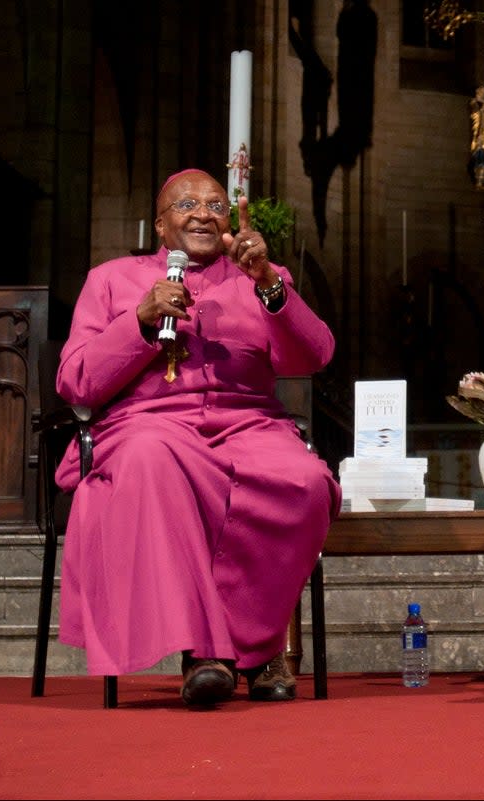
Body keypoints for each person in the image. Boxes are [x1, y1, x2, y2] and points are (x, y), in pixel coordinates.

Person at [54, 168, 341, 707]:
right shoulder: (112, 279)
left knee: (305, 481)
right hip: (150, 424)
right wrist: (138, 321)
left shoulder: (260, 277)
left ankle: (252, 646)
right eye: (186, 204)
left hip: (250, 424)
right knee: (152, 457)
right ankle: (212, 652)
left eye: (214, 204)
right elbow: (75, 382)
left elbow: (316, 355)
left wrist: (270, 286)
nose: (203, 212)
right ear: (160, 226)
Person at [468, 84, 484, 181]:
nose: (483, 93)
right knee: (479, 146)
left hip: (483, 130)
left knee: (482, 146)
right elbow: (475, 111)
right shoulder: (474, 102)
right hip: (478, 129)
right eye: (482, 91)